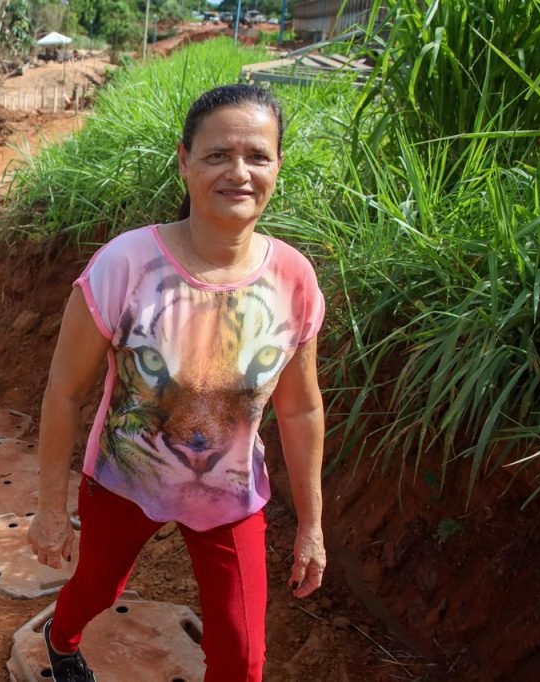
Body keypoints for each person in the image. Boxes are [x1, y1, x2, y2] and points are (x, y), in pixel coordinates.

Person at [28, 83, 326, 682]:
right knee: (97, 588)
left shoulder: (292, 278)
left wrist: (313, 525)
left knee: (244, 661)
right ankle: (61, 641)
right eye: (217, 154)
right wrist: (49, 508)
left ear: (277, 166)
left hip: (231, 496)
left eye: (257, 156)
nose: (238, 172)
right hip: (126, 479)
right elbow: (64, 393)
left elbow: (299, 412)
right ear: (184, 161)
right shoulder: (126, 264)